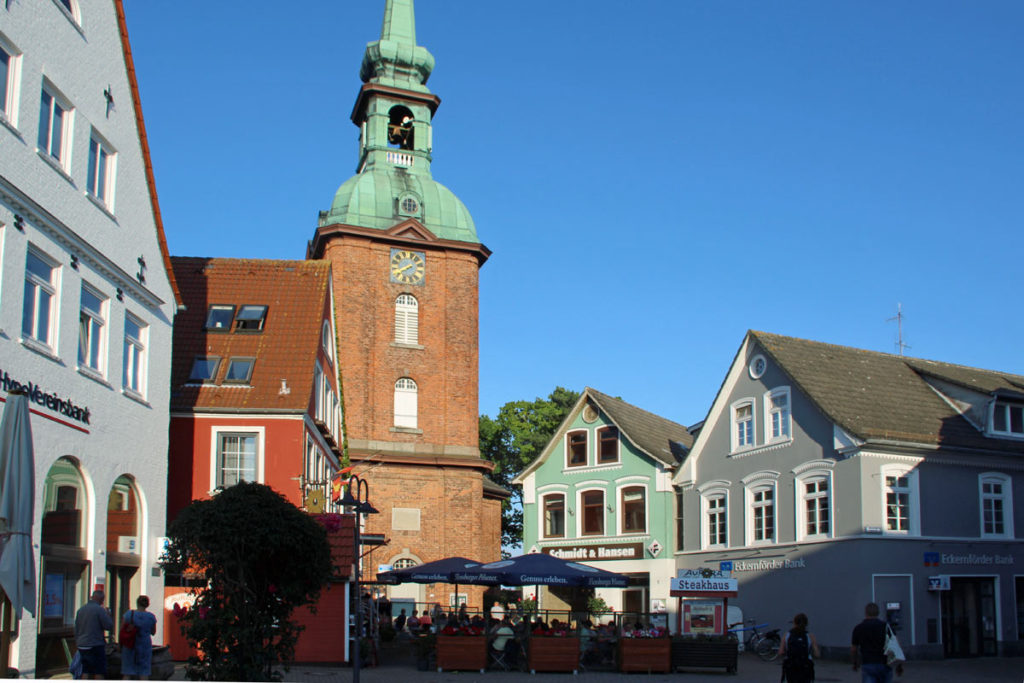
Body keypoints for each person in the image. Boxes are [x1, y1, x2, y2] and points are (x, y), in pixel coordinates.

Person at [851, 602, 904, 683]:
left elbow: (854, 649)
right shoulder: (887, 627)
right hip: (885, 664)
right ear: (878, 613)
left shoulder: (858, 628)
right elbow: (897, 647)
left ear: (866, 613)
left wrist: (855, 663)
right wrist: (899, 666)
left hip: (868, 664)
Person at [74, 589, 114, 680]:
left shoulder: (81, 610)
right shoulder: (99, 610)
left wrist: (78, 641)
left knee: (85, 670)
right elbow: (108, 625)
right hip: (95, 644)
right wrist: (108, 615)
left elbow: (76, 628)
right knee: (98, 671)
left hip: (82, 645)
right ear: (101, 599)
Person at [120, 595, 158, 680]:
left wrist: (120, 645)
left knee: (127, 672)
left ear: (137, 603)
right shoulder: (151, 617)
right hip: (145, 646)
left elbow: (122, 630)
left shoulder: (128, 614)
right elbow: (153, 632)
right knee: (144, 672)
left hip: (130, 644)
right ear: (147, 604)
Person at [779, 612, 819, 683]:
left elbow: (781, 652)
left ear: (794, 623)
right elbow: (817, 654)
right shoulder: (810, 636)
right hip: (805, 666)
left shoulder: (787, 635)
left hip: (790, 666)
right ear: (806, 624)